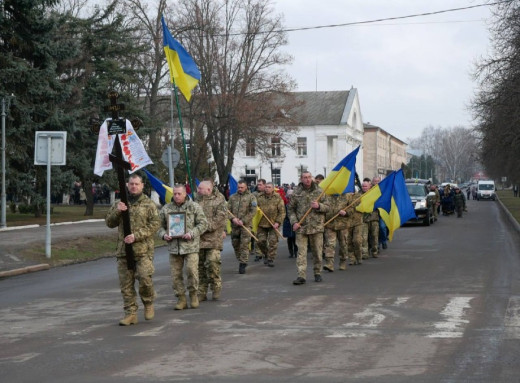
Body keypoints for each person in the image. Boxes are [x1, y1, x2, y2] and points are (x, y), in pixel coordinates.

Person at [105, 173, 160, 326]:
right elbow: (109, 222)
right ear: (127, 185)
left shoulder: (149, 204)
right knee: (126, 284)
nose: (134, 186)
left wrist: (137, 236)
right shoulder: (120, 202)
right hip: (124, 251)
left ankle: (148, 303)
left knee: (145, 279)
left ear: (142, 186)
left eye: (137, 184)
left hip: (143, 250)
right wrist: (118, 210)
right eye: (131, 184)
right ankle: (130, 313)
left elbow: (155, 224)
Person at [158, 184, 208, 310]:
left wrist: (192, 233)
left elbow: (203, 223)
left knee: (192, 271)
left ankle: (193, 295)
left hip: (190, 246)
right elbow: (158, 226)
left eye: (179, 193)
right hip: (174, 248)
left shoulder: (193, 207)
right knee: (175, 275)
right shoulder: (166, 209)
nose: (176, 196)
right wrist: (164, 235)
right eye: (175, 193)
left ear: (185, 194)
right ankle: (181, 298)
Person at [288, 171, 330, 285]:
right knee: (301, 252)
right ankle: (301, 275)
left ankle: (317, 272)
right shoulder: (296, 192)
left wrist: (318, 206)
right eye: (305, 177)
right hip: (301, 227)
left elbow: (328, 207)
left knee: (317, 251)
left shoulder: (319, 191)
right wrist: (294, 222)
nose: (307, 179)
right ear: (301, 179)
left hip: (316, 226)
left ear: (311, 178)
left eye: (309, 177)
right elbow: (291, 209)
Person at [195, 180, 227, 301]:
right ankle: (201, 291)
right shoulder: (196, 200)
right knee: (200, 267)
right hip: (198, 240)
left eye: (200, 188)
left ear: (208, 190)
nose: (198, 190)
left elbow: (219, 220)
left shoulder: (220, 200)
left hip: (213, 239)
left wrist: (201, 227)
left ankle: (216, 287)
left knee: (212, 263)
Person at [228, 180, 257, 274]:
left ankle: (243, 263)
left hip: (246, 225)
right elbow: (227, 210)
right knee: (235, 244)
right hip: (235, 225)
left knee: (244, 244)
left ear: (246, 187)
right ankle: (241, 259)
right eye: (239, 187)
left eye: (242, 187)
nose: (240, 189)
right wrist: (233, 219)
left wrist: (243, 220)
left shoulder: (251, 197)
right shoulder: (232, 197)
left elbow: (253, 211)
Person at [256, 182, 286, 267]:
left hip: (274, 224)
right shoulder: (259, 197)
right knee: (260, 241)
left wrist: (278, 222)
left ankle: (270, 258)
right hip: (261, 223)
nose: (267, 189)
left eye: (269, 187)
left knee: (273, 241)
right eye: (266, 187)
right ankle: (266, 253)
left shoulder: (278, 198)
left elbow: (282, 212)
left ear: (273, 188)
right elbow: (254, 208)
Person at [323, 192, 353, 271]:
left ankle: (343, 261)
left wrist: (346, 212)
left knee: (343, 245)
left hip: (343, 225)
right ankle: (329, 263)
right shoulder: (326, 195)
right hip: (330, 224)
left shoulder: (347, 196)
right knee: (330, 244)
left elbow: (352, 209)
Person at [346, 180, 369, 265]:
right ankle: (352, 258)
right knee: (348, 241)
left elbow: (362, 205)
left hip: (358, 222)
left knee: (357, 240)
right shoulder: (344, 197)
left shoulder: (359, 196)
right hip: (347, 222)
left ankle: (359, 256)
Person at [252, 179, 266, 261]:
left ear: (264, 185)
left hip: (266, 218)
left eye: (260, 184)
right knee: (257, 236)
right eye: (258, 184)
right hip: (257, 217)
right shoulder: (254, 194)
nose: (258, 186)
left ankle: (266, 253)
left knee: (265, 238)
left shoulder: (267, 193)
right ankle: (258, 253)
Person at [282, 192, 298, 258]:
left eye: (291, 196)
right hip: (288, 223)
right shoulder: (285, 205)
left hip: (295, 222)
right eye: (289, 196)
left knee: (295, 238)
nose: (290, 197)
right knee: (289, 239)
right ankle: (291, 252)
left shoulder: (296, 205)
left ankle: (296, 252)